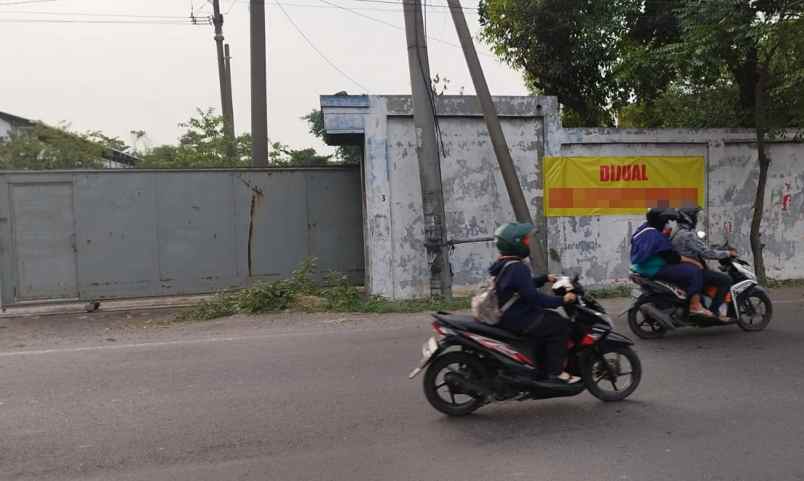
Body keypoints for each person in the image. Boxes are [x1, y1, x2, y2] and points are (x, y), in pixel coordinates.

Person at [490, 222, 579, 385]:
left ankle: (539, 364)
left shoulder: (506, 263)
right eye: (525, 241)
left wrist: (544, 278)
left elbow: (522, 286)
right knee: (560, 325)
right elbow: (534, 298)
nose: (528, 243)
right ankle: (555, 373)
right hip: (517, 317)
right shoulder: (517, 267)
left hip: (510, 314)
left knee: (549, 320)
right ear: (515, 244)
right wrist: (562, 300)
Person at [630, 207, 712, 317]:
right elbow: (672, 258)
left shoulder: (645, 228)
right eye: (666, 221)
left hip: (641, 266)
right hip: (654, 268)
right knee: (694, 271)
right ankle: (695, 305)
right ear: (660, 221)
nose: (668, 223)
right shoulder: (655, 236)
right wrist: (694, 262)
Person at [672, 207, 736, 319]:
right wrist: (728, 253)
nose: (696, 219)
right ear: (689, 218)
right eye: (695, 216)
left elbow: (699, 248)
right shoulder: (688, 235)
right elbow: (706, 253)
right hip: (693, 269)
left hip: (684, 268)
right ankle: (714, 310)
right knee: (726, 280)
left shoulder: (677, 231)